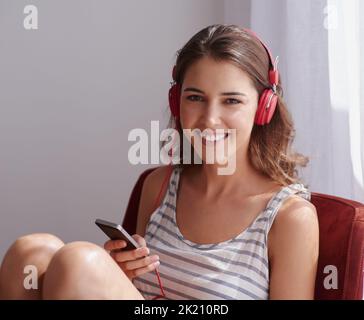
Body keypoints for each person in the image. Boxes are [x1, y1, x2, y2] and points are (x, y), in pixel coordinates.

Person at [0, 24, 319, 300]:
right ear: (176, 101)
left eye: (231, 101)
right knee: (30, 252)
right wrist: (120, 273)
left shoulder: (291, 217)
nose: (209, 119)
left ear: (265, 108)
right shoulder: (160, 185)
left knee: (78, 261)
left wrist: (89, 269)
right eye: (195, 97)